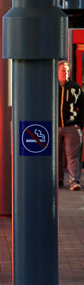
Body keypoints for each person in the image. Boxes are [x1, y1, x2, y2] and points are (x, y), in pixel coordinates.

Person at [58, 60, 83, 191]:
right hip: (56, 126)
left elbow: (82, 106)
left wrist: (79, 124)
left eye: (67, 71)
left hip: (71, 126)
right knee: (55, 155)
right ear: (57, 72)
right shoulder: (52, 88)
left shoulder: (75, 88)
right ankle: (58, 179)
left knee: (72, 155)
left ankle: (74, 180)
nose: (65, 74)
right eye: (63, 71)